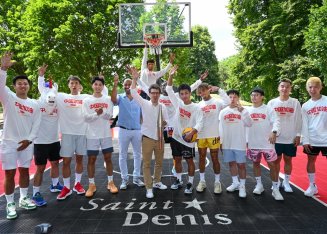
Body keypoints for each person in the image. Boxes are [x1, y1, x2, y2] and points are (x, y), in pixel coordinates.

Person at [0, 52, 41, 219]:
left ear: (29, 86)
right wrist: (3, 68)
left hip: (27, 143)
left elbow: (37, 124)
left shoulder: (34, 104)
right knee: (9, 173)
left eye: (25, 83)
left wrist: (29, 140)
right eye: (19, 83)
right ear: (14, 86)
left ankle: (24, 198)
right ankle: (10, 203)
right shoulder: (8, 97)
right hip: (9, 142)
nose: (22, 86)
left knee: (24, 171)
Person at [130, 66, 169, 199]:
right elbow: (133, 92)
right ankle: (149, 187)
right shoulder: (144, 103)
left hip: (159, 138)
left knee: (159, 162)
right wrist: (135, 79)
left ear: (159, 94)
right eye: (152, 92)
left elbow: (166, 122)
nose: (154, 94)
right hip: (147, 138)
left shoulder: (163, 107)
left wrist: (164, 124)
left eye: (157, 93)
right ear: (149, 93)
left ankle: (157, 181)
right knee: (146, 164)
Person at [166, 66, 204, 194]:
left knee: (189, 161)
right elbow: (168, 89)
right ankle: (178, 180)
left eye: (186, 93)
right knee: (176, 160)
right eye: (181, 94)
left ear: (190, 93)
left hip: (188, 139)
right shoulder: (178, 103)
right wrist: (170, 75)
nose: (184, 96)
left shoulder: (196, 107)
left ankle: (190, 183)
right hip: (176, 136)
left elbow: (200, 123)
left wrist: (192, 132)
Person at [32, 64, 63, 206]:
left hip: (54, 140)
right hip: (40, 141)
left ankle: (55, 184)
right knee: (40, 168)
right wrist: (40, 76)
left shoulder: (58, 104)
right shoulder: (38, 104)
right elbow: (41, 87)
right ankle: (35, 193)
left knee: (55, 163)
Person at [55, 75, 90, 200]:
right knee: (66, 162)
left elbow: (100, 96)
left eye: (76, 83)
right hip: (67, 133)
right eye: (72, 83)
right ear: (68, 85)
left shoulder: (86, 97)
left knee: (80, 160)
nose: (74, 85)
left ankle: (77, 184)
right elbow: (46, 91)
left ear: (80, 85)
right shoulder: (61, 97)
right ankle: (66, 187)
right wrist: (42, 77)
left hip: (82, 133)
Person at [82, 76, 118, 197]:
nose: (97, 86)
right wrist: (96, 114)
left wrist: (102, 113)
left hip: (105, 134)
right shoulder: (87, 100)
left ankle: (110, 182)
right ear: (92, 85)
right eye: (95, 84)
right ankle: (91, 184)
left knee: (108, 158)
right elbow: (86, 117)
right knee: (91, 160)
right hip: (91, 135)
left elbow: (110, 115)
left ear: (103, 87)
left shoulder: (107, 99)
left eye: (100, 85)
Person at [246, 87, 284, 200]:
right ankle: (259, 185)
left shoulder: (268, 109)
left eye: (256, 95)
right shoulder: (247, 110)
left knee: (272, 164)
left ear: (262, 97)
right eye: (252, 95)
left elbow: (277, 121)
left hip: (267, 143)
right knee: (256, 163)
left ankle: (275, 188)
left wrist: (274, 132)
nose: (254, 97)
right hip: (253, 142)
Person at [267, 79, 302, 193]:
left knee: (288, 160)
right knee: (275, 161)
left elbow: (299, 119)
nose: (284, 89)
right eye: (282, 86)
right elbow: (268, 121)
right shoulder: (272, 103)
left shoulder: (295, 102)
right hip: (276, 138)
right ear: (278, 88)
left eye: (287, 87)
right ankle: (276, 183)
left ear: (290, 89)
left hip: (290, 137)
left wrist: (298, 135)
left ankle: (286, 182)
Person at [111, 74, 144, 190]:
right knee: (122, 156)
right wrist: (115, 84)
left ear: (133, 86)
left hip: (137, 131)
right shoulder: (120, 97)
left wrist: (143, 129)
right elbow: (113, 99)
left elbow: (142, 116)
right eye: (125, 84)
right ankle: (124, 179)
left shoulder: (139, 99)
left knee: (138, 155)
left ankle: (136, 178)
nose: (127, 86)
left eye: (129, 84)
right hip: (123, 130)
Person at [196, 83, 229, 194]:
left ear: (209, 90)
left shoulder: (217, 102)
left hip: (214, 134)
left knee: (215, 159)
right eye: (200, 92)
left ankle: (217, 182)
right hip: (201, 135)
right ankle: (202, 181)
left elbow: (228, 102)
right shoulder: (198, 105)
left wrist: (219, 89)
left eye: (204, 90)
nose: (202, 93)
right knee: (201, 158)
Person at [219, 89, 252, 198]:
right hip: (227, 143)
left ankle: (242, 186)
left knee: (241, 165)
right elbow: (220, 128)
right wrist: (221, 141)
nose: (232, 99)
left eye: (235, 97)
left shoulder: (243, 110)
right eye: (230, 97)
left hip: (239, 143)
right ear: (227, 98)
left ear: (238, 98)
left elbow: (249, 123)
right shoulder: (223, 112)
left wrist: (244, 112)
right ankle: (235, 183)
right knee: (231, 163)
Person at [301, 77, 327, 197]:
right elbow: (304, 124)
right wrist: (305, 140)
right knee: (311, 161)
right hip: (312, 139)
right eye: (310, 87)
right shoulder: (305, 106)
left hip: (326, 139)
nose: (313, 89)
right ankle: (312, 186)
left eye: (316, 86)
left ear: (320, 87)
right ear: (307, 89)